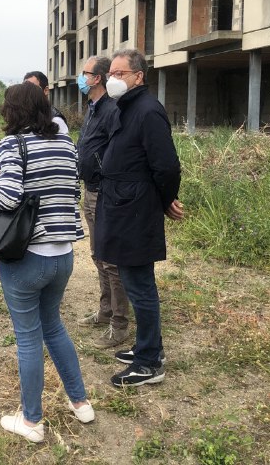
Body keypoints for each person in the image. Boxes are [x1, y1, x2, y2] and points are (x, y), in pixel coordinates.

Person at [0, 82, 94, 443]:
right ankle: (81, 403)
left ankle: (31, 421)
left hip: (28, 257)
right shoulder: (66, 143)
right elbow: (71, 191)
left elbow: (8, 197)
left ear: (12, 110)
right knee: (54, 326)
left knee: (28, 338)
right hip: (63, 254)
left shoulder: (12, 145)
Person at [94, 49, 184, 388]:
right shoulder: (125, 107)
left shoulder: (148, 111)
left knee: (140, 285)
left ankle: (149, 363)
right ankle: (149, 347)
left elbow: (167, 166)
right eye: (111, 74)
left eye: (120, 73)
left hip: (135, 209)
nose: (112, 79)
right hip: (123, 206)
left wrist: (164, 200)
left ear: (138, 76)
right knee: (134, 282)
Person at [74, 56, 131, 349]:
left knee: (111, 261)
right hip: (90, 190)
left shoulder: (111, 109)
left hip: (104, 193)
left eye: (84, 73)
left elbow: (117, 151)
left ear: (97, 78)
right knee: (98, 255)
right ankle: (105, 310)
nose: (81, 78)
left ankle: (119, 324)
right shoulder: (93, 108)